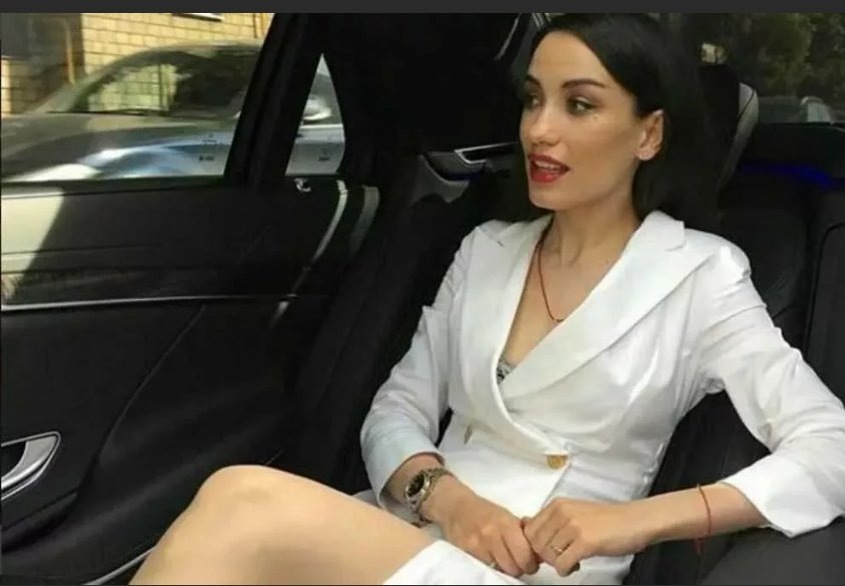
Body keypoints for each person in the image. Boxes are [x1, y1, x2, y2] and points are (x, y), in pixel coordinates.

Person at [131, 13, 845, 586]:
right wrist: (446, 499)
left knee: (242, 498)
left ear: (648, 134)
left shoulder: (699, 273)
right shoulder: (487, 249)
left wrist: (640, 519)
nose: (539, 129)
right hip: (414, 528)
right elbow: (396, 409)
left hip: (535, 567)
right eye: (533, 99)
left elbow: (830, 449)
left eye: (579, 104)